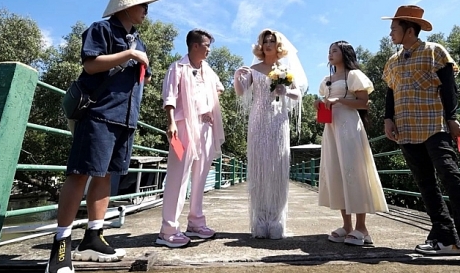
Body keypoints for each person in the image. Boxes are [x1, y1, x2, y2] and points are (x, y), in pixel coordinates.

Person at [45, 0, 158, 273]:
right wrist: (130, 56)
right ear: (126, 6)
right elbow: (91, 64)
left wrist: (135, 55)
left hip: (125, 118)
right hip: (98, 114)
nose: (147, 11)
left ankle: (94, 235)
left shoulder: (138, 39)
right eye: (143, 5)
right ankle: (61, 244)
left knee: (107, 174)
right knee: (80, 173)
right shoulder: (102, 29)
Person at [381, 5, 460, 271]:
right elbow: (390, 92)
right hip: (407, 130)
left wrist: (452, 117)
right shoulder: (392, 61)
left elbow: (449, 87)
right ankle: (444, 238)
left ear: (409, 30)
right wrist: (388, 119)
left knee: (451, 177)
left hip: (435, 126)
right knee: (425, 184)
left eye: (394, 29)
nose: (390, 34)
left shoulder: (435, 51)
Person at [233, 29, 306, 239]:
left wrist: (286, 92)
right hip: (258, 120)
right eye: (265, 41)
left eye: (272, 41)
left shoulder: (285, 69)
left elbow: (297, 93)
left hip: (278, 121)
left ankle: (275, 219)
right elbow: (241, 91)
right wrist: (238, 77)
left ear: (278, 45)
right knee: (259, 168)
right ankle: (260, 219)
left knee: (276, 168)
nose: (268, 44)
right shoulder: (254, 68)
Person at [316, 41, 388, 246]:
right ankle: (347, 225)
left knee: (354, 171)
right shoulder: (326, 80)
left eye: (335, 50)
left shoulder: (353, 76)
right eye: (329, 51)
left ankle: (362, 227)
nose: (330, 54)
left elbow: (363, 103)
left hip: (349, 125)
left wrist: (338, 101)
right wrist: (319, 105)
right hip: (331, 128)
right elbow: (326, 101)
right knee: (337, 172)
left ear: (345, 53)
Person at [157, 29, 225, 248]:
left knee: (200, 176)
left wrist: (204, 107)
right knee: (178, 176)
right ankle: (168, 230)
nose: (209, 49)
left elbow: (219, 89)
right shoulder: (177, 68)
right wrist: (171, 122)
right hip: (184, 126)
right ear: (195, 46)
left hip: (205, 127)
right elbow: (169, 97)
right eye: (207, 45)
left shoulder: (207, 70)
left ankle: (195, 221)